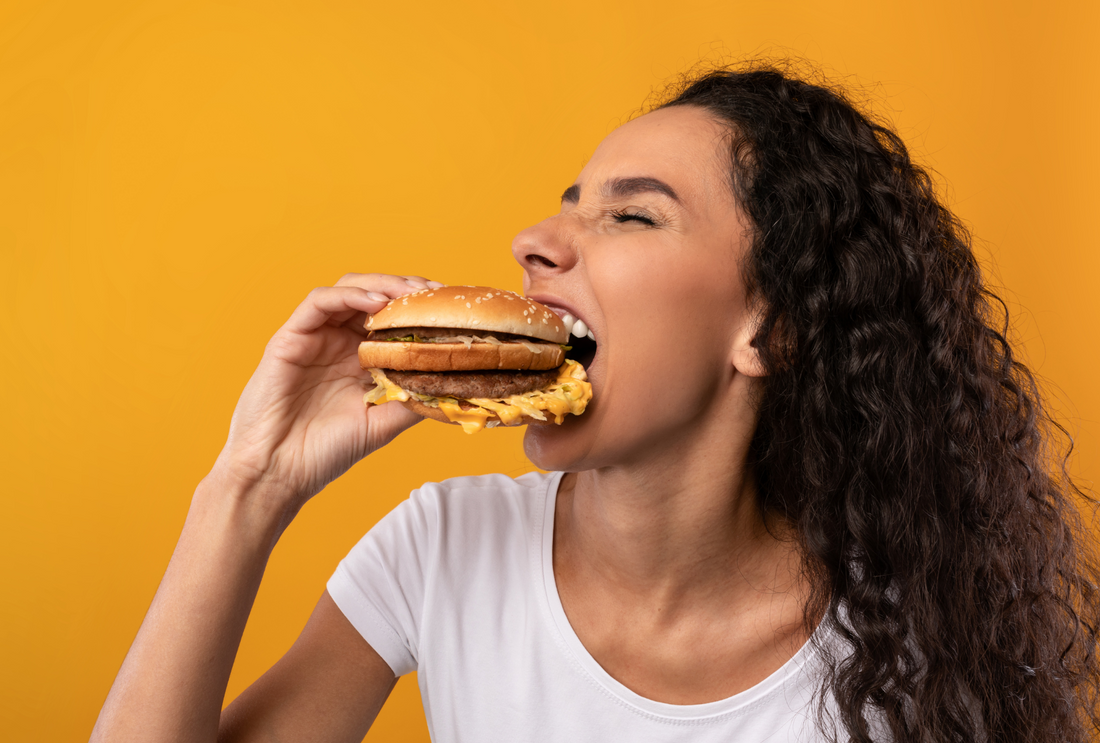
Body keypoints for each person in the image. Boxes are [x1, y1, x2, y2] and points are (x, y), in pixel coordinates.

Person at [90, 64, 1100, 742]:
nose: (537, 239)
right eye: (566, 201)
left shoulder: (900, 648)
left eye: (630, 213)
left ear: (769, 326)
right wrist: (249, 482)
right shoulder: (442, 547)